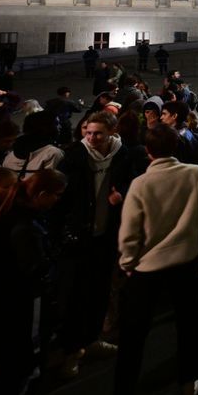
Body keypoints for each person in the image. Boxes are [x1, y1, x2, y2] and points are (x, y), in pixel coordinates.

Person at [110, 124, 198, 395]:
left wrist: (129, 263)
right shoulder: (194, 174)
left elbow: (129, 232)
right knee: (187, 325)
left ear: (148, 151)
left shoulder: (141, 183)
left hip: (146, 268)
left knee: (133, 338)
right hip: (184, 261)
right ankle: (188, 382)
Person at [53, 111, 145, 379]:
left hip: (106, 236)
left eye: (97, 133)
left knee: (99, 290)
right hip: (77, 239)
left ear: (112, 133)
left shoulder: (123, 155)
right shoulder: (73, 156)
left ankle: (91, 339)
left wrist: (123, 196)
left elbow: (133, 186)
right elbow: (61, 202)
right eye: (88, 132)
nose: (91, 138)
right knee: (73, 296)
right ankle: (72, 350)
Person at [0, 168, 65, 395]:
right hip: (22, 306)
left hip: (8, 306)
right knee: (23, 366)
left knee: (14, 367)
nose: (57, 201)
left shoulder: (8, 216)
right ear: (41, 195)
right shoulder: (24, 227)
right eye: (56, 196)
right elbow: (32, 273)